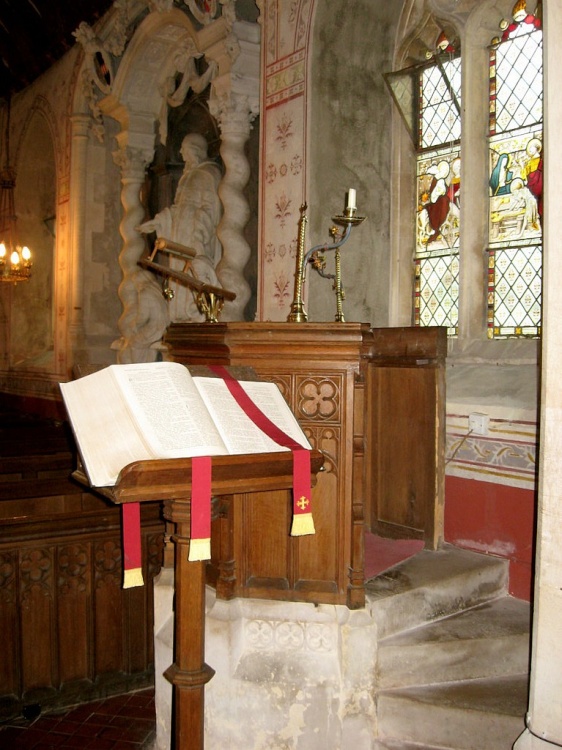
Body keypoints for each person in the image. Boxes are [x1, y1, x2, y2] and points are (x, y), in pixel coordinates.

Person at [137, 133, 223, 321]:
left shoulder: (209, 173)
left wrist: (199, 231)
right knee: (179, 274)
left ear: (196, 150)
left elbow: (211, 207)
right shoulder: (186, 177)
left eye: (185, 150)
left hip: (195, 232)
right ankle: (181, 315)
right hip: (179, 231)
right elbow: (176, 208)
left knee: (196, 269)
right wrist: (158, 221)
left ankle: (197, 313)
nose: (182, 154)